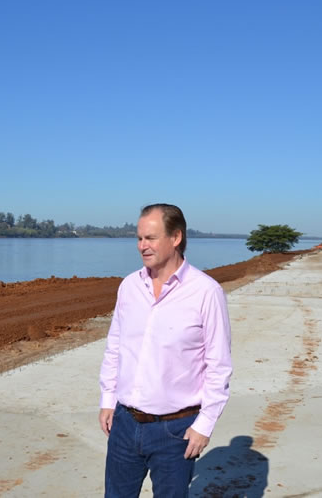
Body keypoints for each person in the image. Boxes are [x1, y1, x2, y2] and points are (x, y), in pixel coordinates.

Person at [99, 203, 233, 497]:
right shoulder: (129, 287)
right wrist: (108, 399)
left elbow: (219, 365)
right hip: (124, 423)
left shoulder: (206, 292)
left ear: (175, 238)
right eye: (139, 238)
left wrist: (205, 425)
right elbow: (115, 346)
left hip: (176, 431)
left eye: (151, 238)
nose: (142, 246)